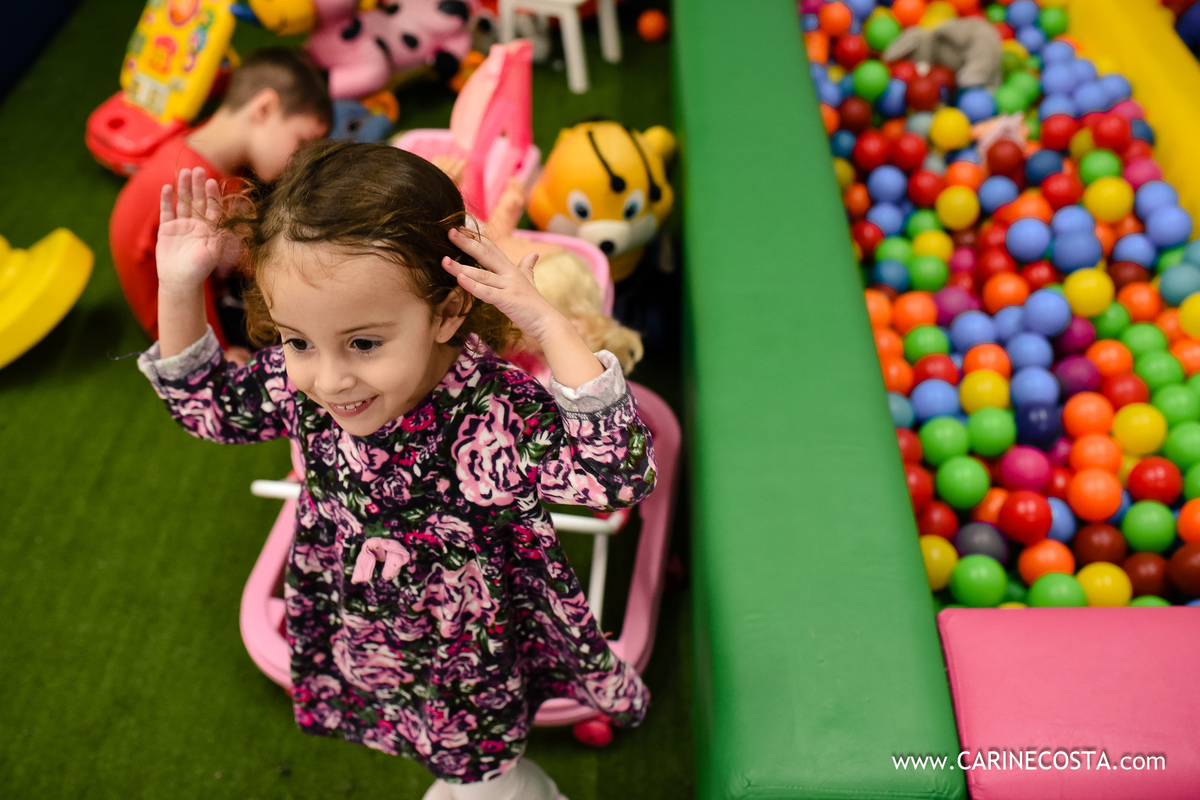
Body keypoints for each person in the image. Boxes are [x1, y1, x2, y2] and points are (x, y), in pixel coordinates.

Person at [136, 141, 656, 800]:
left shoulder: (490, 408)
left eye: (364, 343)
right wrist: (179, 286)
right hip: (372, 621)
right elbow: (209, 406)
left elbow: (617, 477)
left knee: (482, 771)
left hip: (470, 646)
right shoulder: (302, 385)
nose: (329, 379)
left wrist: (549, 324)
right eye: (299, 341)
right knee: (435, 749)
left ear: (448, 311)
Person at [110, 47, 331, 362]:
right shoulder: (192, 183)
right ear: (264, 108)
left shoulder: (202, 151)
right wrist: (219, 352)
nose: (299, 159)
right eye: (301, 142)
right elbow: (188, 281)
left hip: (204, 282)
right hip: (187, 322)